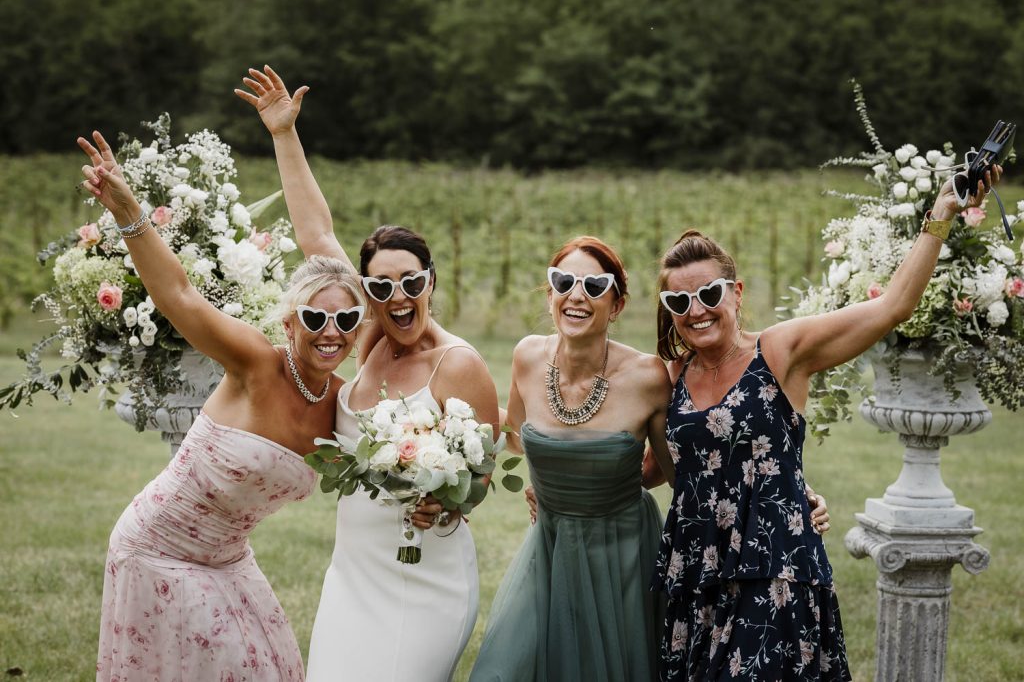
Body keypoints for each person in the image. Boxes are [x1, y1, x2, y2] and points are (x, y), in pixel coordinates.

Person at [651, 164, 1001, 680]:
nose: (696, 310)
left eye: (708, 294)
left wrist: (941, 213)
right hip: (696, 571)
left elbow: (893, 308)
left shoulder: (780, 351)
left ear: (737, 292)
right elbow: (654, 468)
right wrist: (557, 477)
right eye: (679, 301)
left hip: (774, 565)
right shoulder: (670, 376)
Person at [236, 66, 500, 682]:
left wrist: (452, 502)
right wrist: (283, 135)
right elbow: (315, 233)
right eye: (383, 285)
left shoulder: (458, 364)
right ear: (368, 293)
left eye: (412, 281)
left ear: (430, 280)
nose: (399, 296)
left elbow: (485, 470)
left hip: (424, 576)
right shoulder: (370, 337)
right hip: (352, 574)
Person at [77, 132, 367, 681]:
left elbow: (321, 233)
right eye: (315, 318)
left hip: (229, 558)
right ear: (289, 324)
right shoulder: (257, 363)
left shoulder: (343, 403)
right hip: (157, 547)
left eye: (347, 320)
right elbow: (179, 295)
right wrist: (129, 211)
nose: (332, 332)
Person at [468, 237, 675, 681]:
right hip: (550, 545)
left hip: (622, 554)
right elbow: (519, 437)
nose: (577, 295)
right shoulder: (526, 357)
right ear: (550, 295)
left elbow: (675, 471)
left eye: (595, 286)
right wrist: (445, 431)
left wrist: (793, 496)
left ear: (616, 305)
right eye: (564, 281)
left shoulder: (647, 377)